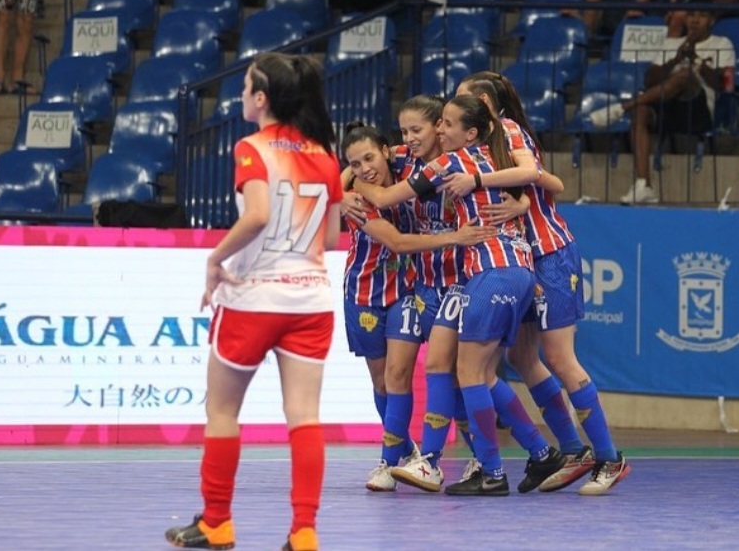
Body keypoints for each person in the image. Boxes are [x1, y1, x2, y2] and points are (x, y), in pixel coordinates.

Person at [164, 53, 342, 551]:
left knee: (222, 413)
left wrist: (215, 259)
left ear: (262, 99)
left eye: (245, 87)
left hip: (254, 298)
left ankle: (217, 523)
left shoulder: (252, 147)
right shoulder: (326, 155)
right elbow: (329, 238)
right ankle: (304, 533)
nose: (240, 94)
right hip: (311, 298)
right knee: (304, 416)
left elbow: (259, 214)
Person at [349, 95, 567, 496]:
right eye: (405, 132)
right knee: (452, 373)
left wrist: (517, 205)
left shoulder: (452, 160)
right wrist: (343, 187)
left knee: (451, 369)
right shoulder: (401, 158)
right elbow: (361, 159)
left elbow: (540, 180)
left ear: (442, 128)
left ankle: (436, 462)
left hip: (464, 278)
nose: (410, 138)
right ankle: (535, 452)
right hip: (427, 282)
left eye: (421, 129)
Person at [450, 73, 631, 495]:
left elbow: (537, 175)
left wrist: (513, 193)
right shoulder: (483, 146)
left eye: (457, 104)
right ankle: (571, 449)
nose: (448, 116)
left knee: (559, 357)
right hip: (521, 259)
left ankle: (609, 457)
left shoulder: (506, 130)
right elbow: (542, 180)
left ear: (480, 103)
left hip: (548, 253)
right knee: (523, 357)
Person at [339, 122, 497, 491]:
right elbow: (395, 242)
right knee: (381, 381)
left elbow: (424, 151)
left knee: (398, 375)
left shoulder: (407, 169)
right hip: (363, 292)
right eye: (355, 164)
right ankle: (405, 450)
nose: (364, 168)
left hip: (408, 291)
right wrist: (454, 237)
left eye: (369, 157)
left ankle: (386, 463)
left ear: (385, 150)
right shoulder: (357, 199)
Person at [589, 7, 736, 205]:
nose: (695, 20)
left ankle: (623, 107)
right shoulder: (672, 43)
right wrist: (676, 58)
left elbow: (722, 84)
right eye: (692, 14)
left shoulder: (722, 43)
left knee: (685, 76)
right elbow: (650, 79)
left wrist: (695, 59)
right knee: (641, 112)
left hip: (699, 111)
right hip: (668, 107)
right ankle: (644, 186)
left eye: (701, 15)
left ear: (711, 20)